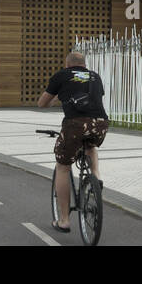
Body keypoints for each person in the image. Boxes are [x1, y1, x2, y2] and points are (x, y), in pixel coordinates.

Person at [37, 50, 109, 233]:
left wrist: (53, 99)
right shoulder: (95, 76)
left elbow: (42, 104)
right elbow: (93, 99)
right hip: (100, 123)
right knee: (90, 145)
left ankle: (64, 220)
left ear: (67, 64)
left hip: (75, 125)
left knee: (63, 166)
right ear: (84, 64)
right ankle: (96, 176)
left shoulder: (61, 75)